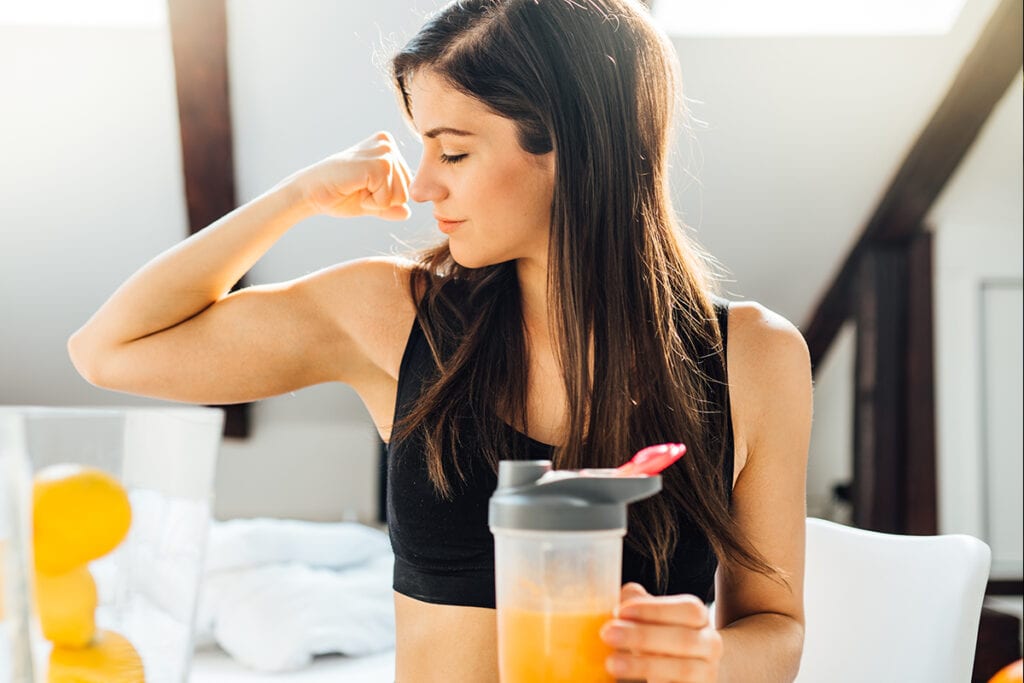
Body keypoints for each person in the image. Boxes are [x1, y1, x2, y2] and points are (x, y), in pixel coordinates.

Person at [68, 0, 811, 680]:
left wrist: (709, 657)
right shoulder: (390, 315)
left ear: (575, 150)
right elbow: (111, 349)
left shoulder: (754, 358)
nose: (422, 186)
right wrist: (300, 196)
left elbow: (775, 628)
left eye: (452, 152)